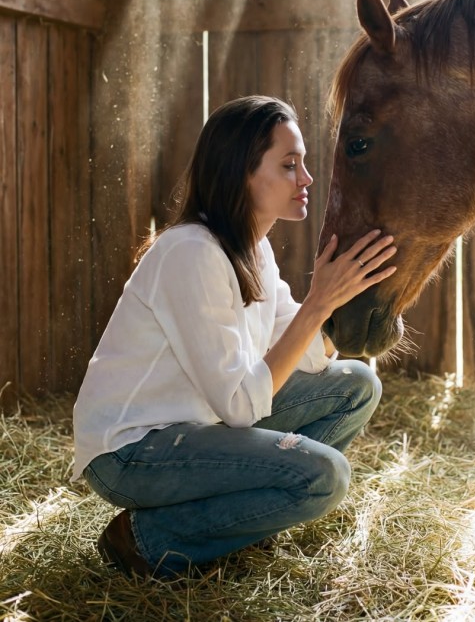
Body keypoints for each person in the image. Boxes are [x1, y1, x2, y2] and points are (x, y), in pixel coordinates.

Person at [72, 95, 397, 579]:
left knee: (356, 384)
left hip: (197, 424)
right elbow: (241, 406)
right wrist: (318, 304)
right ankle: (147, 539)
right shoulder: (191, 252)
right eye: (289, 165)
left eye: (303, 164)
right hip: (133, 450)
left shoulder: (254, 249)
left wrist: (355, 301)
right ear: (241, 173)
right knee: (324, 477)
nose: (306, 179)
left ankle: (238, 520)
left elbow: (307, 353)